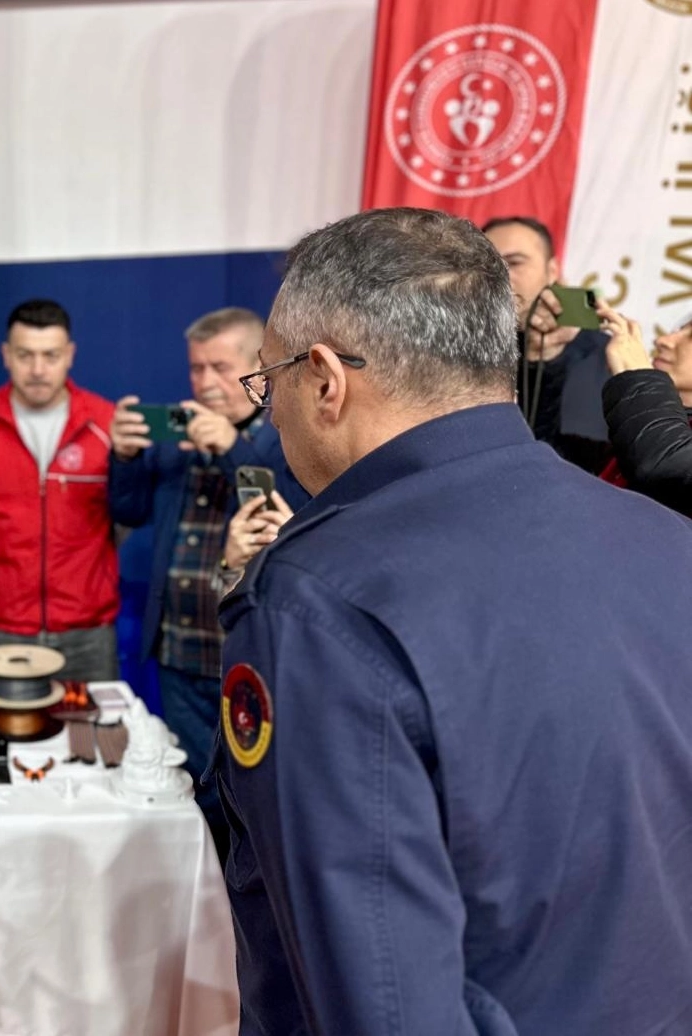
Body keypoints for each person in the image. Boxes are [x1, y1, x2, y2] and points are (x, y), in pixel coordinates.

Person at [217, 206, 692, 1035]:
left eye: (270, 381)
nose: (273, 413)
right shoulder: (665, 538)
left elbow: (382, 1002)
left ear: (324, 379)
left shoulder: (316, 604)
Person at [107, 306, 305, 856]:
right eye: (197, 368)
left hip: (250, 651)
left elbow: (286, 506)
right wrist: (124, 457)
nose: (206, 382)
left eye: (220, 367)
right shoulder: (179, 435)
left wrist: (230, 448)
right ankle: (207, 887)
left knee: (253, 790)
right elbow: (128, 509)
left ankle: (245, 886)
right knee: (196, 787)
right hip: (178, 648)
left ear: (258, 367)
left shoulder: (287, 436)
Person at [0, 299, 119, 684]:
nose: (38, 370)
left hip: (86, 630)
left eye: (50, 355)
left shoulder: (106, 424)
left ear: (69, 355)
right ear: (6, 355)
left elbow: (122, 519)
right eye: (25, 355)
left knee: (94, 724)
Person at [482, 216, 612, 472]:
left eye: (514, 262)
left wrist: (546, 361)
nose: (498, 275)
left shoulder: (604, 355)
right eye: (487, 264)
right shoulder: (459, 351)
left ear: (552, 271)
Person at [594, 302, 692, 515]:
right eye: (679, 329)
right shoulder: (635, 416)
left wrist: (638, 378)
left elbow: (665, 466)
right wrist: (548, 357)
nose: (663, 340)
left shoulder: (643, 416)